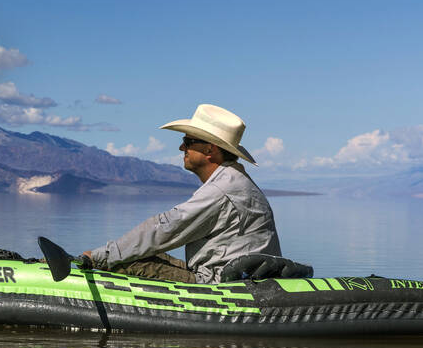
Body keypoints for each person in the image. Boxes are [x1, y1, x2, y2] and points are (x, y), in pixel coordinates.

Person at [81, 104, 280, 284]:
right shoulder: (235, 180)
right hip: (235, 275)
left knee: (122, 263)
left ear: (210, 149)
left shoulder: (221, 190)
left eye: (188, 141)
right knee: (134, 254)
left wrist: (100, 256)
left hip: (219, 283)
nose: (181, 147)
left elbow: (166, 228)